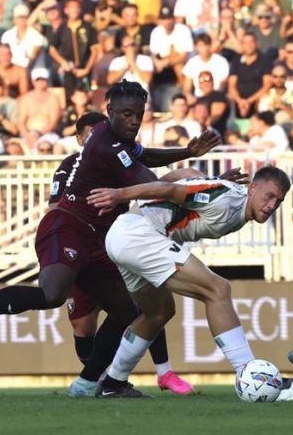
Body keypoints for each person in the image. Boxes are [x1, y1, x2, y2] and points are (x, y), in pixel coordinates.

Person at [0, 80, 220, 397]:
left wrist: (187, 152)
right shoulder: (107, 146)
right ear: (109, 111)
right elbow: (151, 184)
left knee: (129, 312)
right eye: (126, 114)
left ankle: (87, 385)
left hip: (99, 239)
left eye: (139, 114)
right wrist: (212, 190)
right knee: (52, 294)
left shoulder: (117, 140)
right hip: (69, 226)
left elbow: (145, 155)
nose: (134, 121)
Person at [86, 166, 289, 397]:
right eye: (269, 196)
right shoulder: (225, 197)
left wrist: (209, 182)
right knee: (218, 289)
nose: (272, 205)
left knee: (159, 312)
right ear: (252, 188)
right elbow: (173, 188)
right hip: (139, 236)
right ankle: (250, 372)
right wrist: (120, 194)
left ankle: (113, 383)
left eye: (279, 201)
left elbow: (185, 172)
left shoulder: (222, 194)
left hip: (123, 236)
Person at [48, 112, 193, 395]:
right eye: (88, 133)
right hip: (83, 248)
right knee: (83, 325)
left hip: (116, 244)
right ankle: (98, 377)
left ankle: (162, 372)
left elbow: (152, 178)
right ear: (80, 139)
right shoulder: (69, 167)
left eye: (98, 131)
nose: (94, 137)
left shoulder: (121, 160)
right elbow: (54, 208)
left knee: (147, 303)